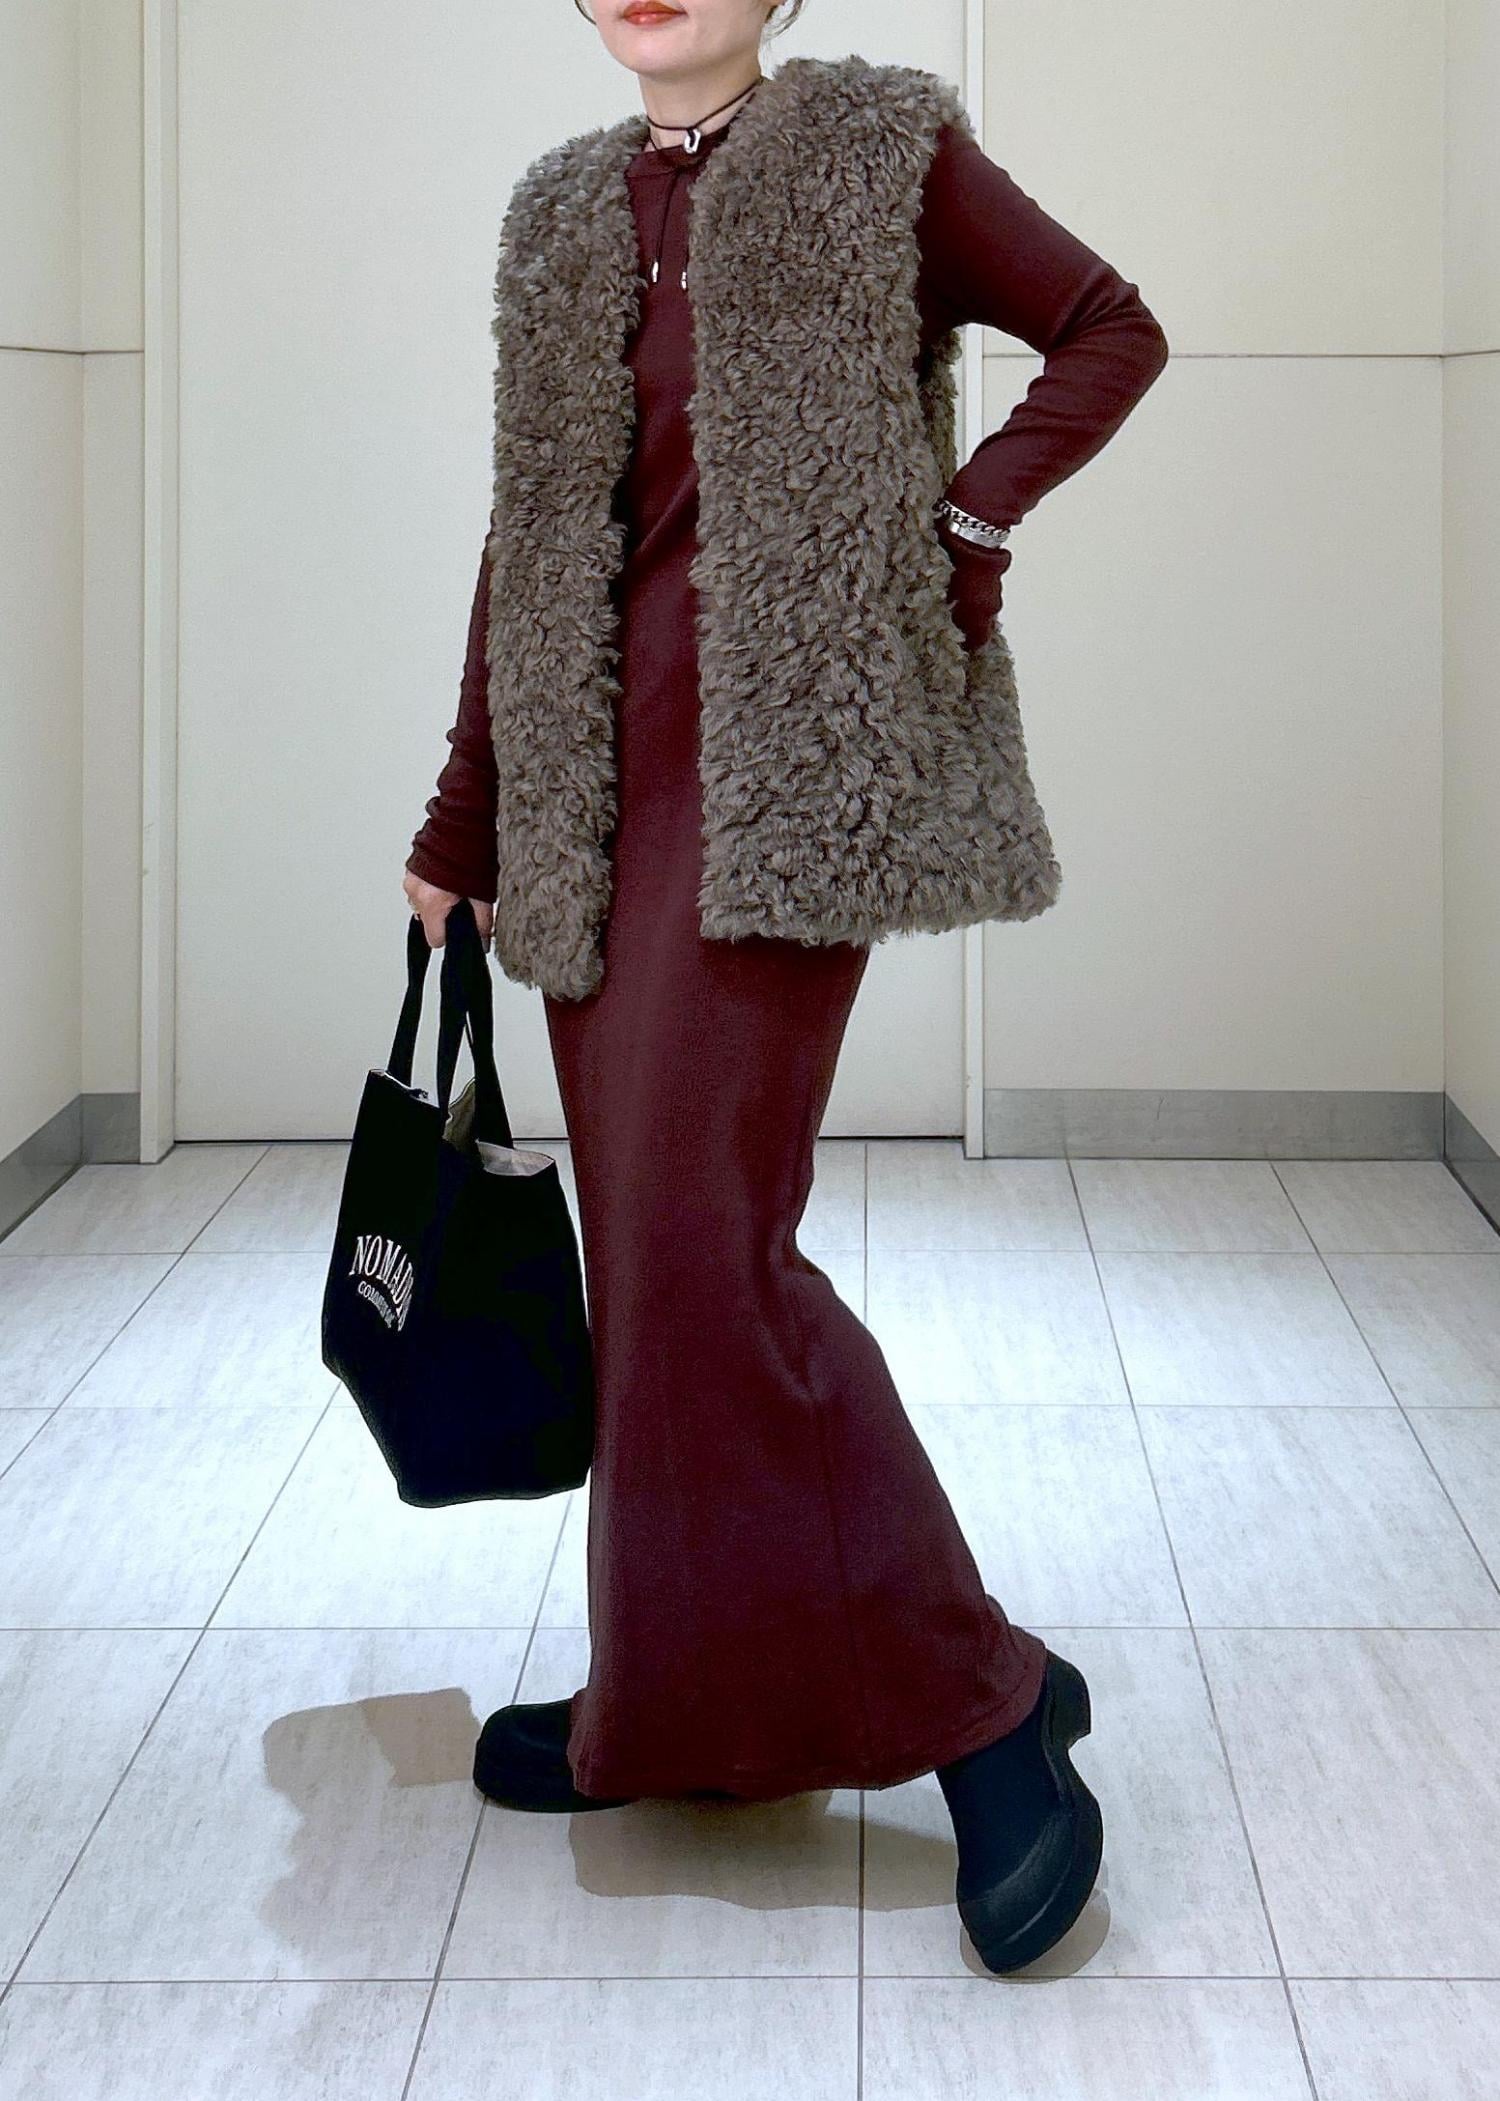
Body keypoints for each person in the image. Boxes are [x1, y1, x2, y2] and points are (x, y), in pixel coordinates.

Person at [402, 0, 1168, 1976]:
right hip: (594, 797)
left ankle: (988, 1702)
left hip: (786, 777)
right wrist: (465, 811)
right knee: (646, 1276)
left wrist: (962, 520)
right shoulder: (561, 210)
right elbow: (527, 532)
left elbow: (1110, 329)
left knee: (702, 1247)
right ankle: (669, 1705)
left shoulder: (881, 152)